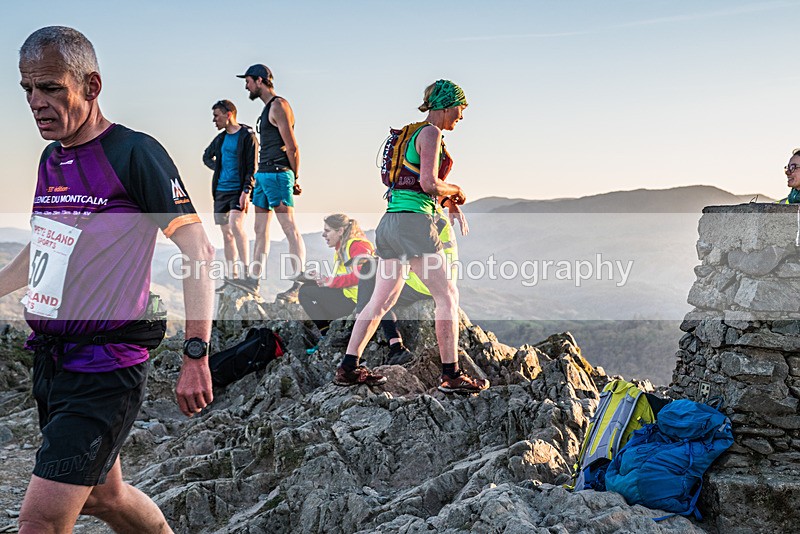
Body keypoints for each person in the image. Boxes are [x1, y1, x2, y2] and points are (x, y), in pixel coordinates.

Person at [2, 26, 215, 533]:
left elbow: (198, 249)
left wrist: (197, 352)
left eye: (51, 87)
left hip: (104, 368)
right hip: (52, 362)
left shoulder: (134, 153)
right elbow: (46, 246)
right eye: (27, 89)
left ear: (91, 86)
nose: (36, 102)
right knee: (105, 496)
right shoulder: (51, 159)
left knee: (40, 523)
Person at [334, 80, 488, 394]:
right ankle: (451, 375)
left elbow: (410, 183)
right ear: (446, 105)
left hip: (391, 222)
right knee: (447, 296)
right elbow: (430, 183)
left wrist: (447, 205)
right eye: (459, 109)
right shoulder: (431, 132)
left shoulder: (410, 134)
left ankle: (348, 368)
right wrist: (456, 192)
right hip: (415, 225)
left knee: (380, 301)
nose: (460, 117)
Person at [237, 64, 305, 300]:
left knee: (289, 227)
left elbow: (292, 146)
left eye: (248, 81)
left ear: (259, 80)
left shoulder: (278, 106)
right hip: (264, 175)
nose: (246, 86)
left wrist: (294, 177)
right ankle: (253, 281)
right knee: (260, 230)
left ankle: (299, 281)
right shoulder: (267, 109)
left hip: (278, 172)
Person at [354, 215, 457, 365]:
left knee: (376, 289)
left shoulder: (430, 218)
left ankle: (393, 345)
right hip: (430, 280)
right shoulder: (433, 216)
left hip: (426, 283)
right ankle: (393, 344)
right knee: (375, 279)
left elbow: (413, 251)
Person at [202, 99, 258, 291]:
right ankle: (231, 277)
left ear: (229, 115)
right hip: (220, 191)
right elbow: (206, 156)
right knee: (226, 234)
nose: (214, 120)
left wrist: (246, 190)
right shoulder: (220, 139)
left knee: (236, 225)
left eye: (216, 116)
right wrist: (218, 169)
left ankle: (246, 273)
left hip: (238, 190)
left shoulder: (247, 135)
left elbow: (252, 165)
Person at [298, 214, 374, 345]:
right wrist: (321, 279)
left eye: (327, 231)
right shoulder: (342, 248)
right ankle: (326, 331)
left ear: (340, 231)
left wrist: (330, 282)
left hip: (356, 302)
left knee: (305, 293)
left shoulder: (357, 245)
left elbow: (362, 275)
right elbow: (344, 277)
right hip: (348, 296)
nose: (323, 235)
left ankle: (325, 334)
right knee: (307, 287)